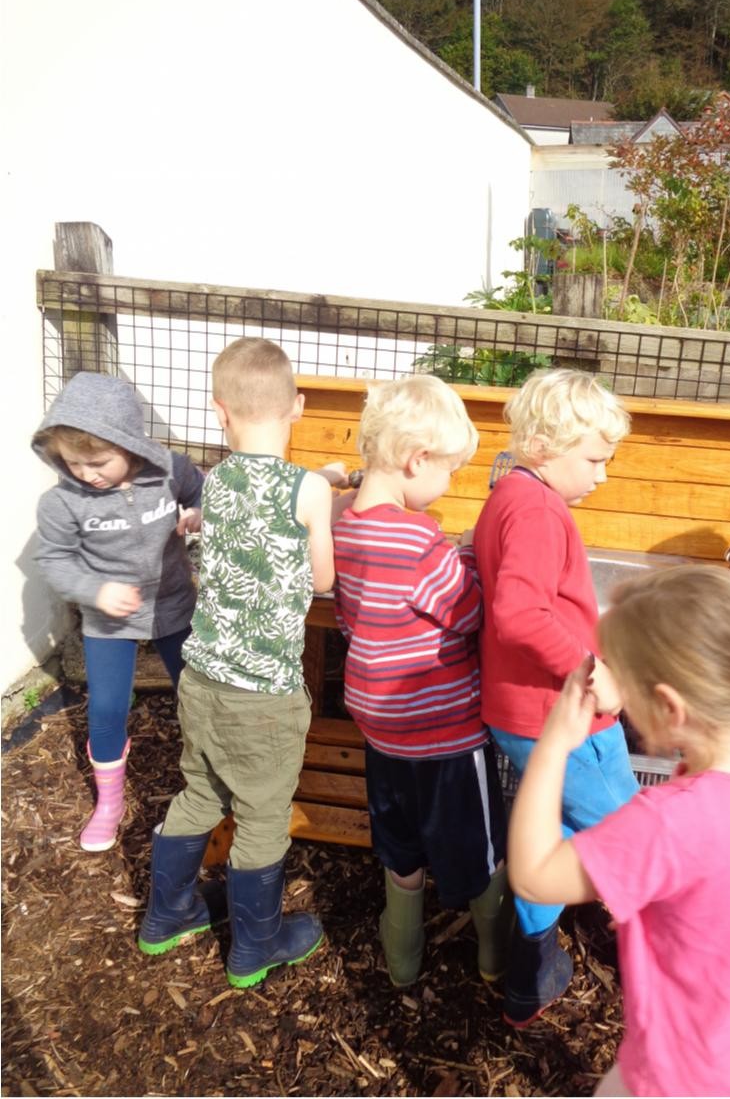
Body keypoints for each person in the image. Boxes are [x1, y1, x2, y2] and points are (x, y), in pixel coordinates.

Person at [509, 565, 730, 1098]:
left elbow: (534, 876)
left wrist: (552, 743)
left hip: (684, 1080)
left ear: (668, 708)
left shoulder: (668, 821)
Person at [137, 337, 336, 988]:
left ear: (220, 411)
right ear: (298, 407)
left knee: (201, 791)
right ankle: (256, 945)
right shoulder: (309, 490)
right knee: (261, 815)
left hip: (201, 680)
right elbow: (325, 580)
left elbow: (255, 505)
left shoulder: (216, 483)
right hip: (264, 697)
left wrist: (322, 488)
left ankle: (167, 915)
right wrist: (325, 503)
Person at [332, 375, 511, 988]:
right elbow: (469, 612)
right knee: (480, 850)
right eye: (450, 471)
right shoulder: (416, 536)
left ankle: (402, 959)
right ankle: (494, 956)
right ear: (417, 460)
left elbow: (351, 615)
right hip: (446, 732)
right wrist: (467, 554)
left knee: (401, 845)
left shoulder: (344, 527)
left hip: (382, 729)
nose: (450, 483)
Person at [472, 367, 637, 1027]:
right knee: (638, 840)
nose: (604, 475)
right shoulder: (540, 509)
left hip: (520, 713)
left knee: (559, 837)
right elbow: (519, 614)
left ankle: (529, 974)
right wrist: (596, 675)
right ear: (542, 447)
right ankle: (664, 964)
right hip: (565, 718)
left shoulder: (510, 493)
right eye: (594, 460)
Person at [32, 372, 204, 852]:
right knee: (107, 708)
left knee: (196, 696)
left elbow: (201, 491)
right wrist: (95, 590)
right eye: (73, 462)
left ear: (130, 443)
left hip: (173, 605)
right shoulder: (62, 502)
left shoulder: (170, 470)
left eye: (98, 462)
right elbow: (54, 560)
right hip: (109, 620)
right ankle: (109, 802)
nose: (87, 473)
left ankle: (208, 782)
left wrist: (197, 512)